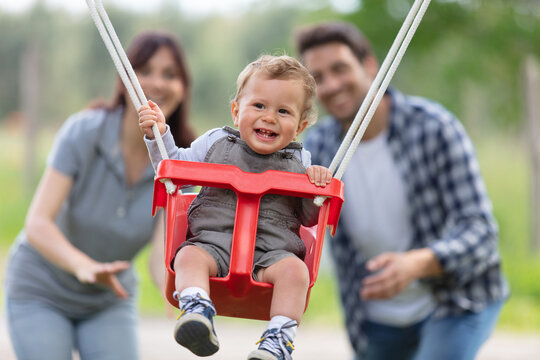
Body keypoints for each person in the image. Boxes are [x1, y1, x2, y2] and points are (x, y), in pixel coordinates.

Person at [294, 21, 509, 360]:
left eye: (340, 68)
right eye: (318, 77)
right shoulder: (319, 146)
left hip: (455, 300)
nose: (332, 85)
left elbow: (481, 232)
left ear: (369, 65)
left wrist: (417, 264)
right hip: (376, 314)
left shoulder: (434, 128)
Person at [4, 30, 196, 360]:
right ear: (124, 78)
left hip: (108, 299)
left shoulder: (180, 163)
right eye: (145, 70)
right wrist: (83, 266)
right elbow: (37, 223)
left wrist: (182, 296)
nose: (158, 83)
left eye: (170, 74)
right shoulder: (84, 131)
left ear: (183, 87)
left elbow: (160, 255)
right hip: (40, 289)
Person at [139, 54, 333, 360]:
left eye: (283, 111)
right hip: (212, 244)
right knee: (187, 256)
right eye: (259, 106)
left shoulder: (300, 163)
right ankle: (197, 309)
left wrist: (317, 188)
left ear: (300, 126)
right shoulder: (216, 142)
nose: (269, 117)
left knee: (297, 272)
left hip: (273, 254)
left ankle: (278, 340)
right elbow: (174, 168)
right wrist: (158, 136)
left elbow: (310, 217)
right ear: (235, 110)